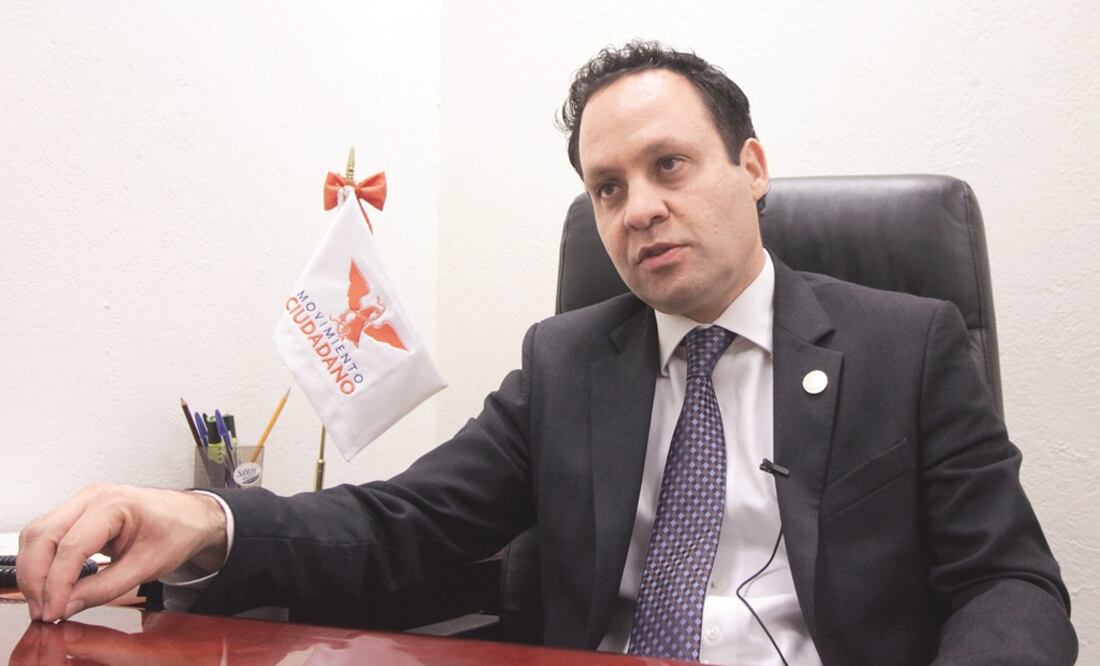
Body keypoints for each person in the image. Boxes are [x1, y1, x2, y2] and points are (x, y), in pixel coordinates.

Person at [18, 41, 1076, 664]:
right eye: (606, 189)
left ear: (749, 166)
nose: (637, 211)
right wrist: (208, 517)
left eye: (668, 166)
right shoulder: (570, 363)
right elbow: (405, 524)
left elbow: (1009, 585)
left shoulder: (906, 343)